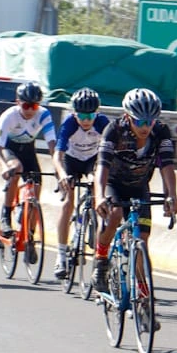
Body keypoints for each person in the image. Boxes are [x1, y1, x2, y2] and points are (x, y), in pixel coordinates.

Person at [91, 88, 177, 293]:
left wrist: (172, 195)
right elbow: (102, 166)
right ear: (127, 117)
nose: (145, 127)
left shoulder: (161, 132)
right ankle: (101, 259)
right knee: (114, 215)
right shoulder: (114, 130)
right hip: (113, 183)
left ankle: (142, 293)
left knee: (142, 240)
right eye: (140, 122)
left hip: (139, 186)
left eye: (150, 122)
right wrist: (99, 196)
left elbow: (167, 165)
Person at [0, 81, 56, 263]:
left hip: (28, 151)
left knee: (36, 188)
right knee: (17, 169)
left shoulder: (44, 115)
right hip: (10, 150)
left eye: (34, 106)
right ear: (18, 102)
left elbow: (52, 144)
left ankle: (30, 238)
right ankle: (6, 215)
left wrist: (58, 167)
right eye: (26, 106)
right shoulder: (8, 116)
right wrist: (4, 167)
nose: (30, 110)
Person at [51, 87, 110, 279]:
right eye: (81, 116)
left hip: (92, 160)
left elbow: (112, 152)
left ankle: (90, 220)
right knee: (68, 202)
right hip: (71, 161)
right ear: (74, 113)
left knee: (96, 185)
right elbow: (57, 156)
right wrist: (62, 175)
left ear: (97, 113)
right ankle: (61, 256)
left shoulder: (103, 123)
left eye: (90, 115)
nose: (86, 120)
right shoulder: (69, 123)